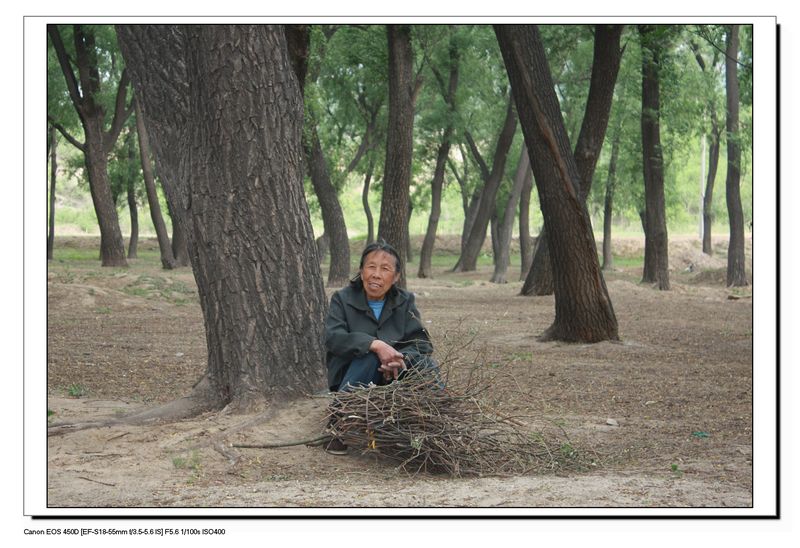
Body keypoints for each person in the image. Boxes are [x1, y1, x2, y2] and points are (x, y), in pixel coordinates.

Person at [323, 241, 439, 454]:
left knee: (427, 366)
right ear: (361, 271)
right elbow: (334, 338)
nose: (376, 274)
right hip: (353, 373)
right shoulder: (342, 299)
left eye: (385, 269)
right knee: (369, 357)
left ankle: (431, 428)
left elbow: (421, 343)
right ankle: (340, 424)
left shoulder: (404, 301)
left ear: (395, 277)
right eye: (371, 266)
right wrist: (374, 345)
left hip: (395, 371)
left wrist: (399, 358)